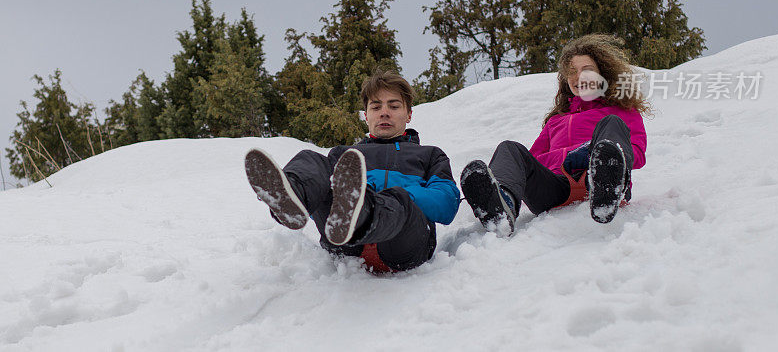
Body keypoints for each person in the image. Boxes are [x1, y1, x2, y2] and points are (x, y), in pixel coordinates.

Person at [245, 70, 460, 272]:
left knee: (399, 198)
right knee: (311, 160)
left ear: (409, 114)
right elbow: (322, 194)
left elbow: (446, 202)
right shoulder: (346, 156)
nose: (384, 113)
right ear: (366, 115)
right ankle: (291, 197)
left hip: (404, 245)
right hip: (346, 246)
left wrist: (387, 194)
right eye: (376, 107)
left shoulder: (430, 155)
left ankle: (362, 207)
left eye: (394, 107)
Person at [461, 34, 649, 234]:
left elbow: (636, 153)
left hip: (596, 180)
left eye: (587, 70)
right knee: (509, 149)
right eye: (572, 72)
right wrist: (568, 156)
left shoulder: (621, 111)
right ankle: (500, 205)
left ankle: (607, 189)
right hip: (555, 188)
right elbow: (532, 162)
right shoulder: (556, 121)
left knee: (611, 124)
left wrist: (593, 154)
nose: (579, 77)